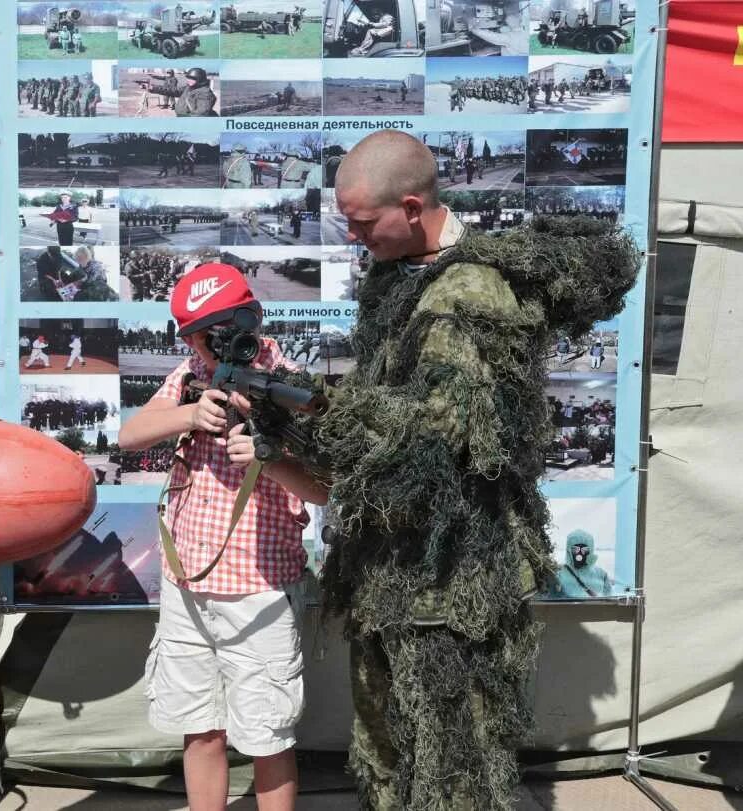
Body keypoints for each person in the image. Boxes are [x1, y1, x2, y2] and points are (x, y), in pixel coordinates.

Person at [305, 129, 638, 808]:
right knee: (390, 749)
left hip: (450, 577)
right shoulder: (399, 275)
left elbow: (431, 439)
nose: (353, 236)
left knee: (453, 765)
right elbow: (388, 398)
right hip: (392, 565)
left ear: (412, 205)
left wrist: (320, 423)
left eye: (363, 222)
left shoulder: (470, 292)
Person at [118, 262, 328, 811]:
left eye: (204, 338)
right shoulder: (190, 373)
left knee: (266, 735)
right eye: (192, 340)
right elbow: (129, 435)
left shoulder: (287, 384)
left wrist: (271, 457)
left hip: (257, 587)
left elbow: (323, 490)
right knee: (199, 725)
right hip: (186, 581)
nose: (199, 349)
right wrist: (191, 411)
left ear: (239, 325)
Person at [549, 530, 614, 597]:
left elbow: (609, 599)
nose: (579, 554)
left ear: (590, 550)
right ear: (569, 550)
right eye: (575, 549)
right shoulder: (558, 573)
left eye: (584, 550)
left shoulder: (601, 575)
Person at [150, 67, 218, 116]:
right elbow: (173, 90)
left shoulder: (205, 94)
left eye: (192, 79)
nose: (188, 80)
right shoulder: (189, 87)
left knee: (172, 100)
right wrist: (153, 88)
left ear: (199, 80)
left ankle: (172, 106)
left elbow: (199, 115)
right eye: (188, 78)